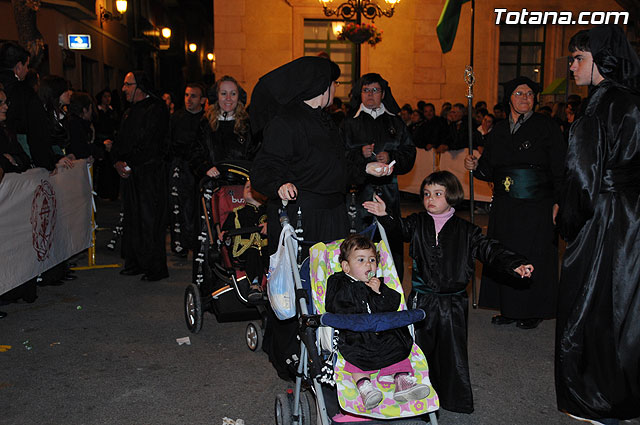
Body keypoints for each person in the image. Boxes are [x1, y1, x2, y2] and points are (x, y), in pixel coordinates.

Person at [249, 56, 393, 380]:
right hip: (302, 217)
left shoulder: (327, 120)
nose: (337, 88)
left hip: (333, 216)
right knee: (298, 291)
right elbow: (262, 169)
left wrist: (366, 169)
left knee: (328, 287)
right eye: (334, 83)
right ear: (319, 86)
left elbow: (337, 167)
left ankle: (325, 351)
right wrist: (278, 185)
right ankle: (289, 356)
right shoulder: (285, 121)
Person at [364, 170, 533, 413]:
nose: (430, 198)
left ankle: (454, 400)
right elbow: (399, 229)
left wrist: (513, 262)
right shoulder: (418, 222)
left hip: (452, 304)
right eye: (426, 194)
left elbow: (489, 250)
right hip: (422, 301)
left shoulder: (467, 230)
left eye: (438, 194)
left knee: (452, 354)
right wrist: (385, 215)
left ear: (451, 196)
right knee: (419, 351)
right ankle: (419, 399)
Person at [555, 25, 640, 425]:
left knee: (589, 304)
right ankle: (624, 392)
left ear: (601, 61)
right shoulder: (633, 102)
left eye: (578, 59)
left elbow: (581, 176)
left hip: (602, 215)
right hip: (632, 214)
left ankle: (596, 397)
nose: (571, 66)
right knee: (626, 302)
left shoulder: (597, 108)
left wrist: (569, 220)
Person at [464, 76, 566, 329]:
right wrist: (475, 166)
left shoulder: (547, 126)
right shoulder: (498, 130)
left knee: (534, 253)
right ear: (509, 97)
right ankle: (509, 308)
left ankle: (532, 309)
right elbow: (489, 169)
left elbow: (561, 168)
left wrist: (558, 201)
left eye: (529, 94)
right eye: (519, 93)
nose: (525, 98)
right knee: (505, 253)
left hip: (537, 204)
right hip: (506, 205)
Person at [325, 233, 430, 409]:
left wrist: (379, 292)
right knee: (353, 353)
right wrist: (357, 289)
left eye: (372, 260)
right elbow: (333, 305)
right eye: (361, 260)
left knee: (398, 341)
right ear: (346, 267)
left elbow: (393, 304)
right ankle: (365, 386)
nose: (368, 264)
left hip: (382, 332)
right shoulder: (338, 282)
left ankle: (402, 380)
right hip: (357, 334)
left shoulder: (377, 283)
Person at [341, 73, 416, 282]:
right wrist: (360, 155)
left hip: (389, 194)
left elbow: (410, 152)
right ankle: (357, 290)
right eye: (366, 90)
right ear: (360, 94)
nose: (370, 94)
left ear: (383, 93)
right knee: (359, 244)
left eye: (375, 90)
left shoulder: (395, 121)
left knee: (390, 243)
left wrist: (392, 157)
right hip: (359, 195)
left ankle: (390, 289)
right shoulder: (349, 124)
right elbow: (339, 157)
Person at [112, 71, 170, 281]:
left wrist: (129, 161)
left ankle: (154, 267)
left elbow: (151, 143)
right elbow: (121, 140)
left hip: (150, 175)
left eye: (128, 84)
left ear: (141, 86)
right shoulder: (129, 111)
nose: (124, 89)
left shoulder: (156, 109)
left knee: (150, 221)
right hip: (132, 175)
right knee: (132, 219)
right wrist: (117, 161)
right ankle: (135, 261)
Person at [190, 76, 256, 180]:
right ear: (217, 96)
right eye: (224, 93)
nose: (228, 98)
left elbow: (255, 156)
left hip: (241, 185)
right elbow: (195, 155)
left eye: (233, 94)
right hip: (212, 184)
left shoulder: (247, 125)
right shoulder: (206, 124)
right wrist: (206, 168)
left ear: (239, 97)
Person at [167, 82, 206, 258]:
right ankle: (180, 245)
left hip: (198, 170)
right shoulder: (176, 118)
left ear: (203, 100)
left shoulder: (205, 120)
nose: (189, 99)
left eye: (193, 96)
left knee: (196, 208)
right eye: (186, 95)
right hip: (180, 168)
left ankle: (196, 244)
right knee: (179, 207)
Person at [220, 180, 267, 302]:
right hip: (244, 249)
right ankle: (255, 284)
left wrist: (270, 225)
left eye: (253, 187)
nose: (249, 189)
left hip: (267, 247)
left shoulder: (269, 213)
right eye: (247, 187)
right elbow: (225, 231)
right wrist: (226, 235)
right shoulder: (236, 213)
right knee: (253, 252)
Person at [94, 88, 120, 200]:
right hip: (101, 142)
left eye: (109, 97)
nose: (107, 99)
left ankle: (112, 192)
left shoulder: (112, 112)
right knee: (103, 169)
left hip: (111, 142)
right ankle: (103, 192)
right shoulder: (97, 112)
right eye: (105, 96)